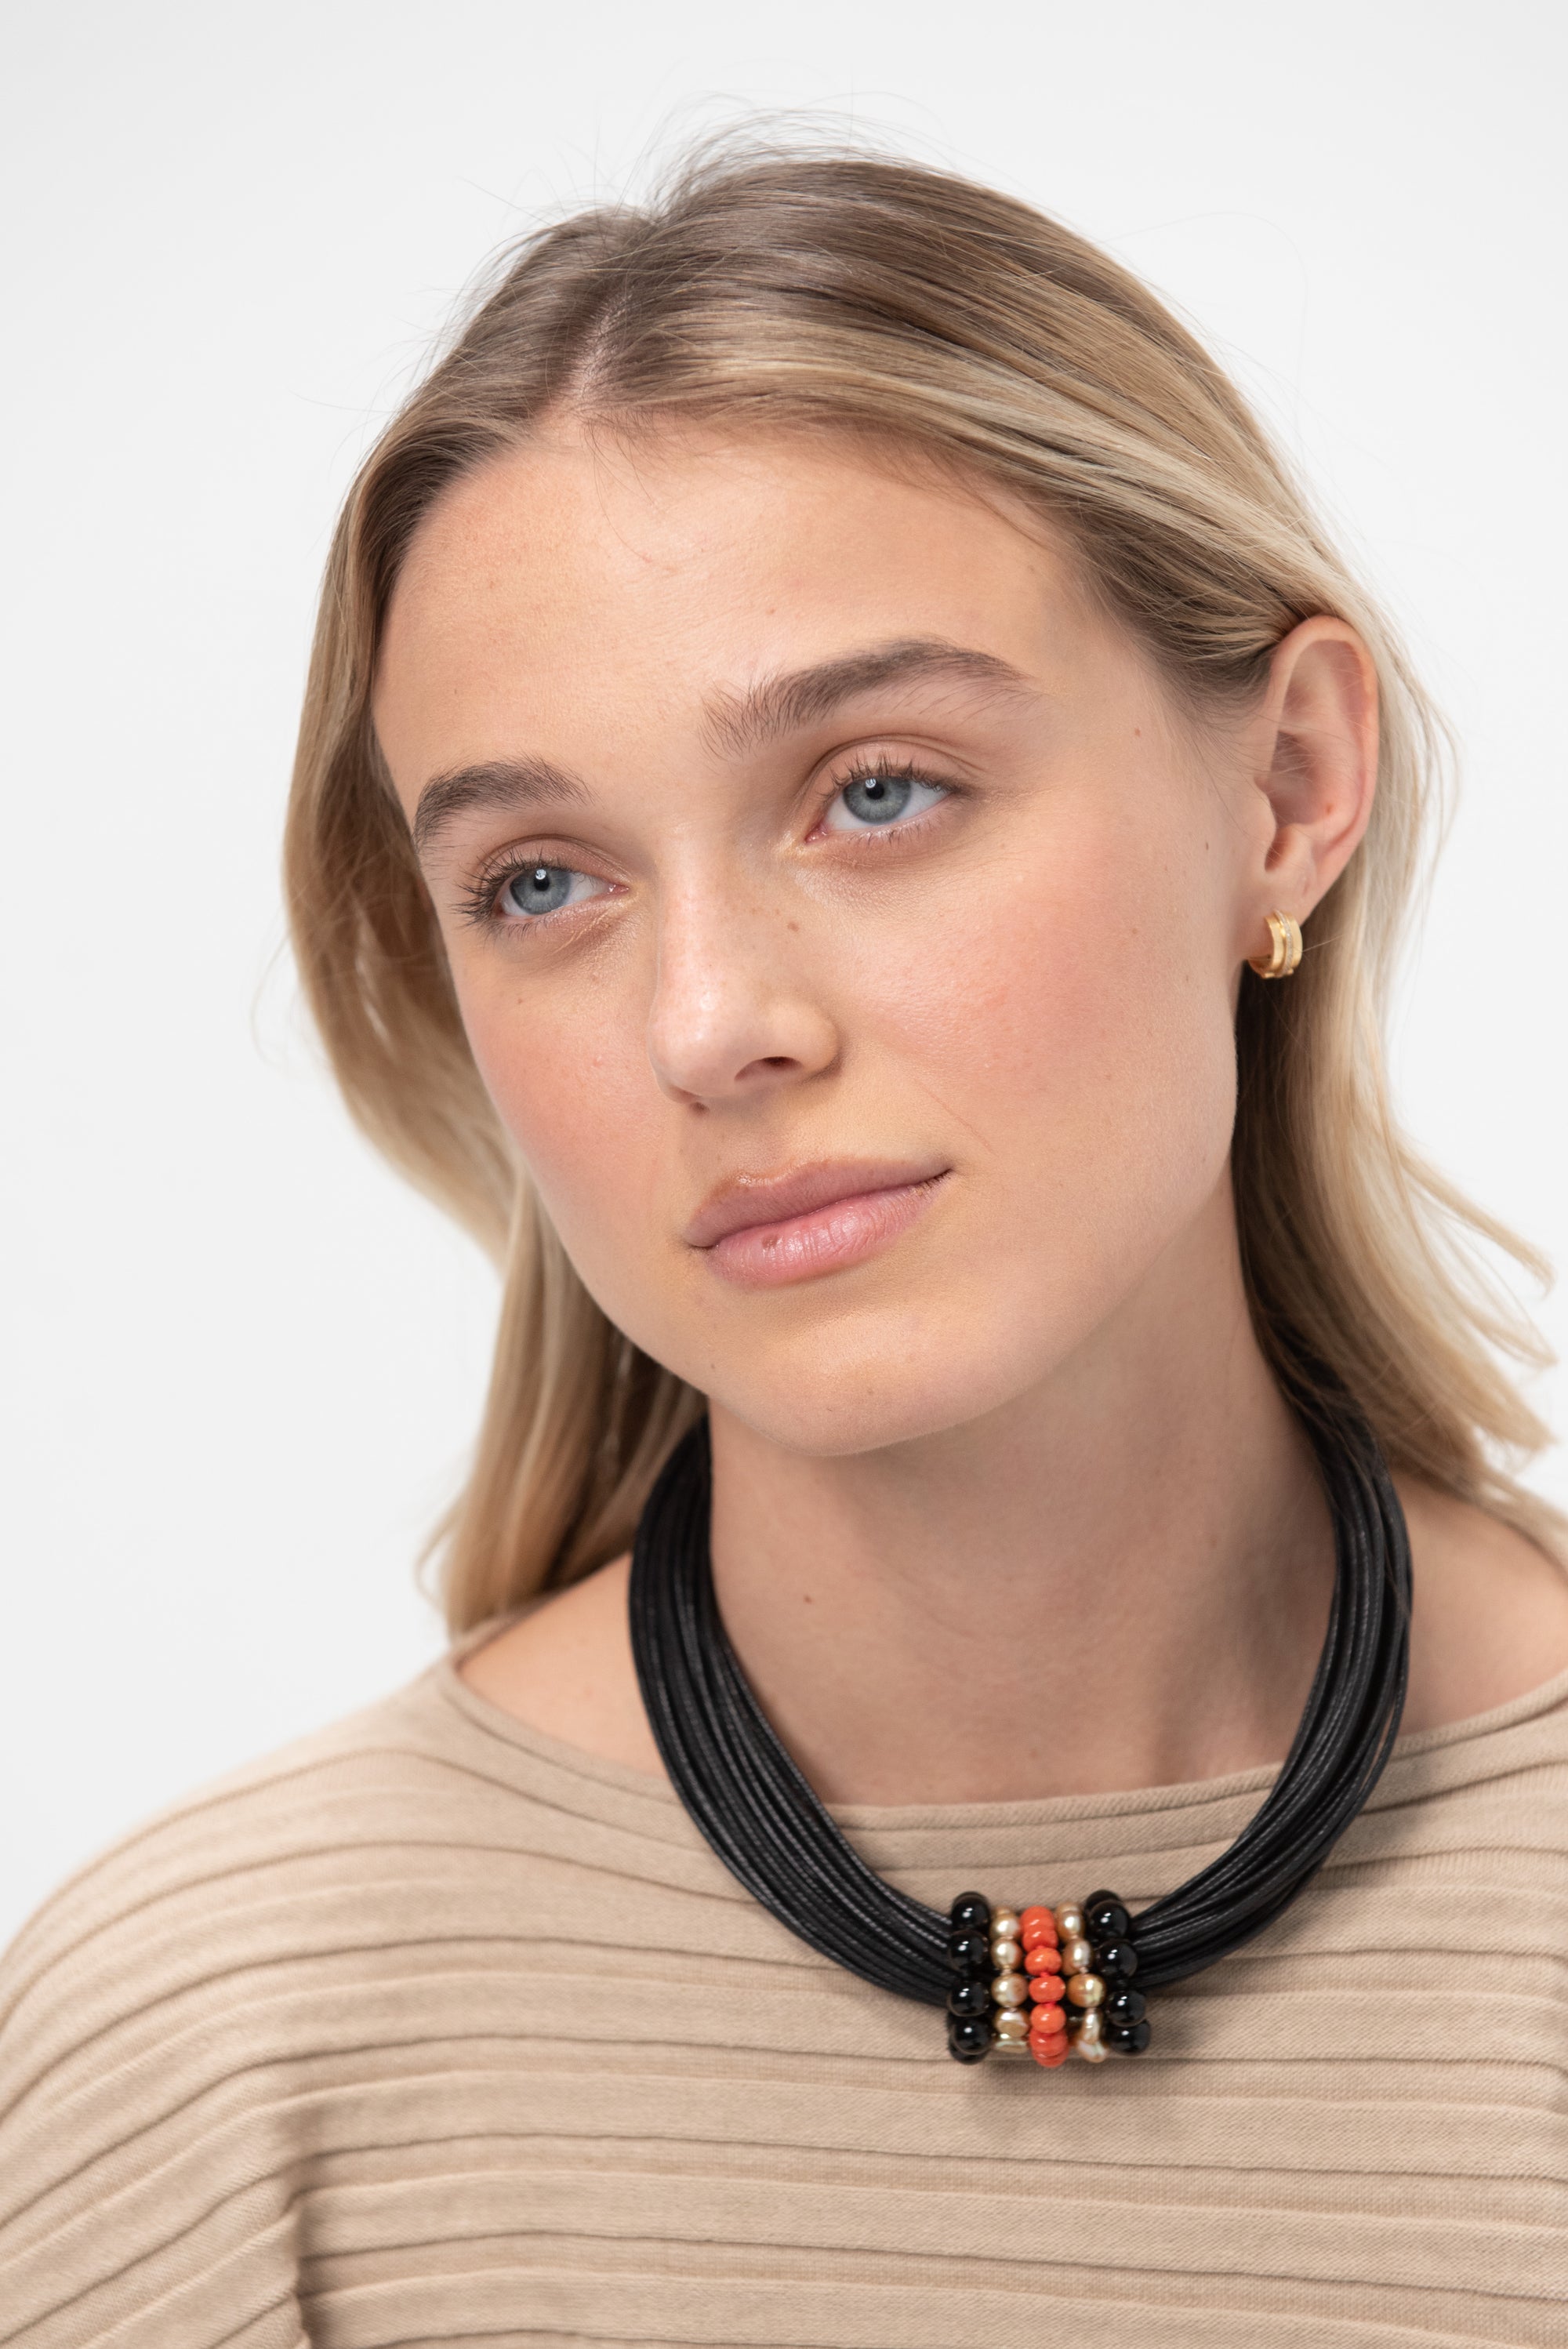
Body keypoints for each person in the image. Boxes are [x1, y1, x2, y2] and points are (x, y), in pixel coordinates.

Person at [3, 144, 1566, 2348]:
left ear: (1288, 786)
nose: (711, 1024)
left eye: (878, 788)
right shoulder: (213, 2060)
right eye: (543, 883)